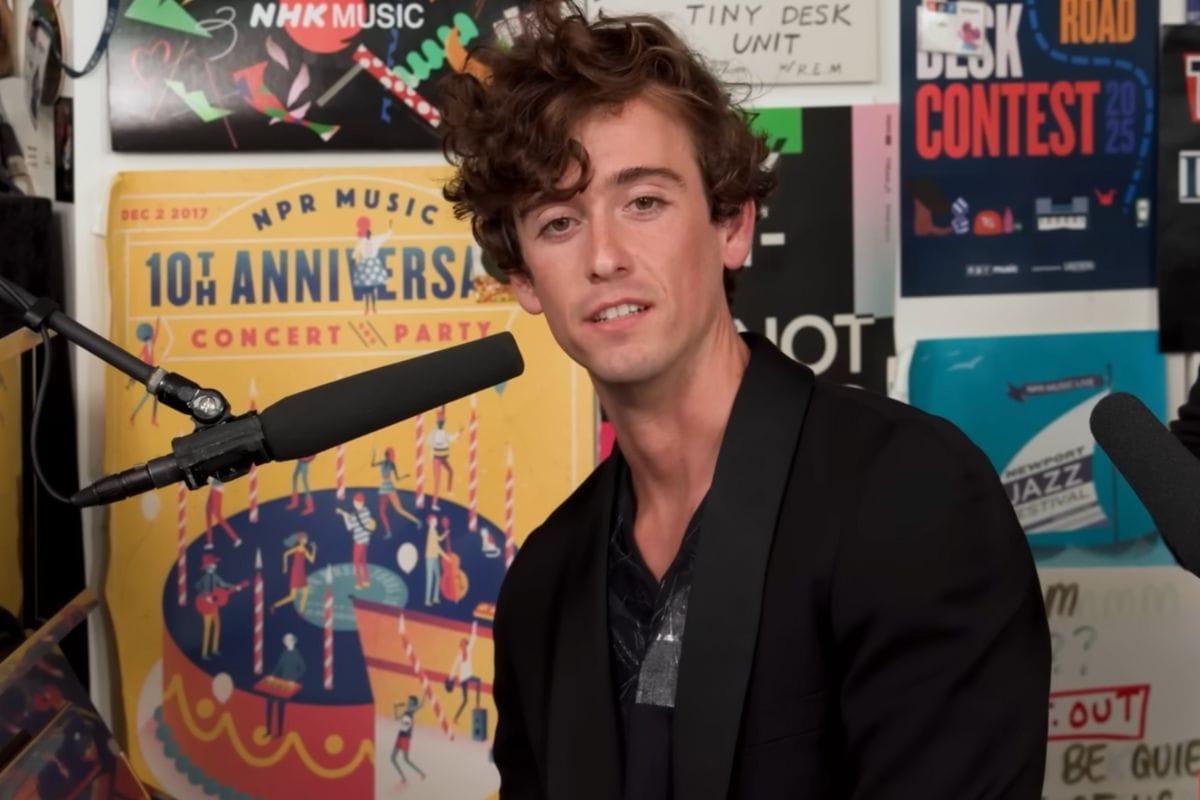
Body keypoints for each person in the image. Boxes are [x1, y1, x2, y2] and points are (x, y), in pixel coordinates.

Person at [439, 4, 1050, 798]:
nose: (606, 257)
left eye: (645, 201)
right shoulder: (543, 585)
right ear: (523, 278)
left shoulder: (911, 493)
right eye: (558, 222)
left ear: (732, 225)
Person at [371, 446, 419, 537]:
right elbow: (373, 464)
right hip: (384, 488)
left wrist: (405, 476)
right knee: (382, 512)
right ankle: (388, 532)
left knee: (398, 509)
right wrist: (374, 455)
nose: (394, 456)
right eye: (392, 454)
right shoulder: (387, 463)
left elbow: (397, 478)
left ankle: (417, 521)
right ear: (388, 455)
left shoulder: (390, 464)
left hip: (387, 488)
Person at [265, 633, 305, 737]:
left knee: (280, 706)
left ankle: (279, 733)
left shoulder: (296, 654)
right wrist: (272, 675)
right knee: (269, 701)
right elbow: (279, 666)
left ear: (292, 641)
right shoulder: (284, 653)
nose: (284, 641)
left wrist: (294, 679)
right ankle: (268, 730)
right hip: (280, 682)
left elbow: (303, 669)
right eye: (284, 640)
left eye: (287, 640)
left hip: (289, 684)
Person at [336, 493, 376, 589]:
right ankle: (366, 581)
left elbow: (349, 527)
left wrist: (344, 516)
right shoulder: (367, 511)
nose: (354, 504)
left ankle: (359, 583)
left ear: (355, 502)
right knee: (363, 562)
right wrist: (345, 514)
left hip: (358, 542)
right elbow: (356, 518)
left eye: (355, 502)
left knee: (356, 563)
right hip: (365, 541)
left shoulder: (354, 514)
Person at [272, 532, 317, 614]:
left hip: (301, 572)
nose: (306, 539)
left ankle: (276, 605)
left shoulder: (304, 550)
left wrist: (314, 549)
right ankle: (300, 610)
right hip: (296, 572)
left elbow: (312, 560)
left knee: (296, 595)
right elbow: (285, 554)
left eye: (306, 538)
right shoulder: (298, 548)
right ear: (301, 540)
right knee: (295, 595)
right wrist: (285, 567)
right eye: (305, 538)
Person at [391, 695, 427, 782]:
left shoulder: (412, 710)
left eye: (409, 701)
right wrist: (395, 708)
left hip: (405, 738)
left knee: (406, 759)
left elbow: (421, 705)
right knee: (392, 758)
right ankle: (403, 777)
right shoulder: (406, 711)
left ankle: (422, 773)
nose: (407, 702)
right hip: (400, 736)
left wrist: (425, 694)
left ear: (413, 704)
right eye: (408, 700)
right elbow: (396, 718)